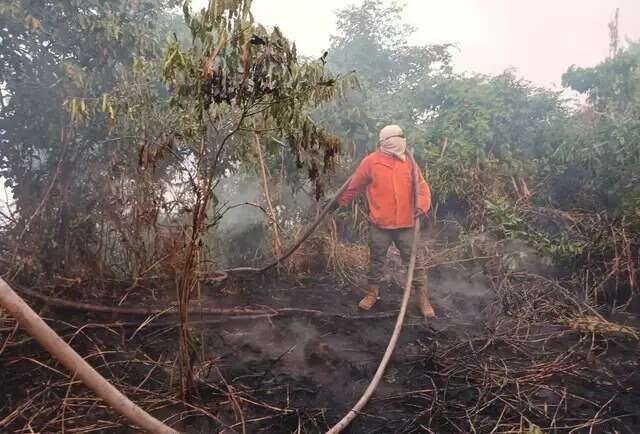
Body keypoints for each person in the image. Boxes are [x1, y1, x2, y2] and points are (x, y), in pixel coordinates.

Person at [331, 125, 435, 318]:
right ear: (388, 141)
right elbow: (354, 186)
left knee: (414, 262)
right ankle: (372, 294)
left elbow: (422, 187)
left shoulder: (409, 162)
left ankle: (422, 298)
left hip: (407, 223)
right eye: (399, 137)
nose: (402, 140)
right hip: (380, 224)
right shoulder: (371, 162)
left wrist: (422, 206)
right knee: (376, 260)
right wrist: (339, 203)